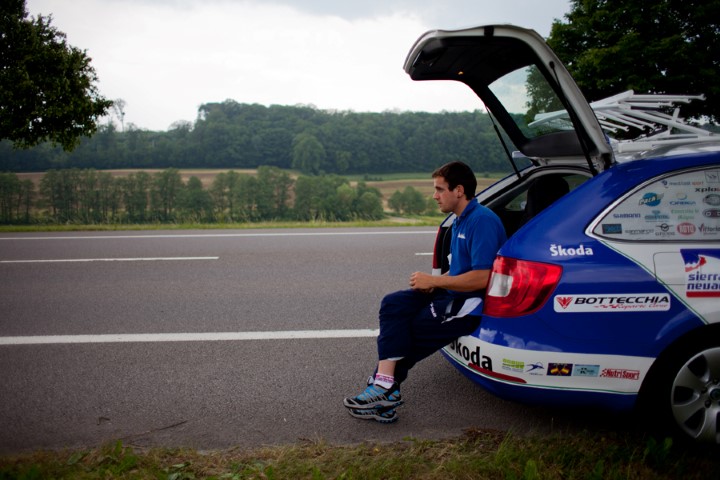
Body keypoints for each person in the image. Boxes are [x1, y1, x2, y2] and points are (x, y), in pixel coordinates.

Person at [343, 161, 507, 423]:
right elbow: (457, 271)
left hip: (469, 302)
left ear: (459, 190)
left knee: (413, 328)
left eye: (440, 189)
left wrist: (435, 280)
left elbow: (482, 278)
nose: (434, 196)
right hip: (450, 291)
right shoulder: (459, 222)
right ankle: (386, 388)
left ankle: (383, 390)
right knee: (394, 304)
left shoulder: (483, 221)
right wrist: (435, 282)